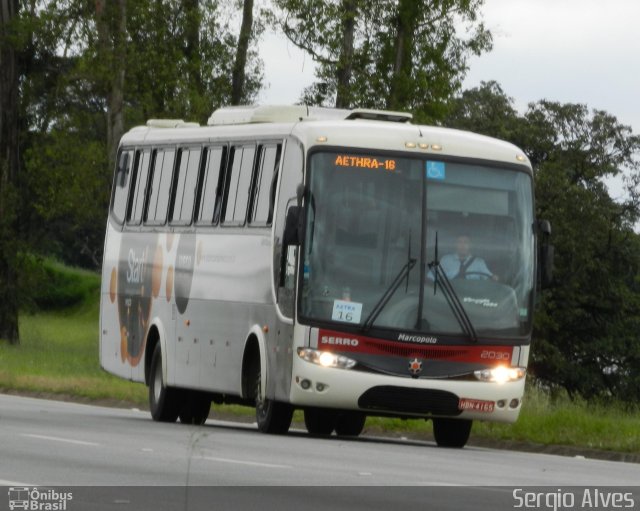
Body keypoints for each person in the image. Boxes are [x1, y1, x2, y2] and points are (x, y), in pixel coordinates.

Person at [432, 234, 498, 281]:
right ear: (455, 244)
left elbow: (489, 278)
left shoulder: (479, 262)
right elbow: (432, 276)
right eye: (459, 242)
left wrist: (494, 278)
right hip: (449, 294)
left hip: (472, 295)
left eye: (466, 242)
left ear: (471, 245)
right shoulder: (446, 259)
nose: (462, 245)